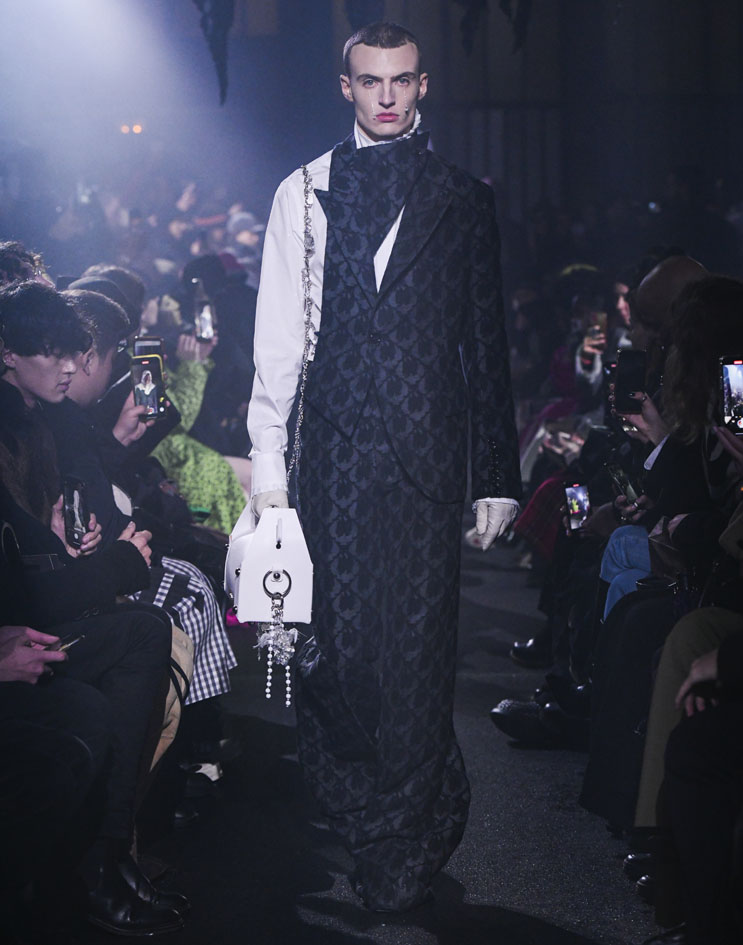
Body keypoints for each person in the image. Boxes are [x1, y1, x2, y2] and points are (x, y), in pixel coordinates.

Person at [245, 20, 521, 912]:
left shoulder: (462, 198)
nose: (388, 95)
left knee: (417, 657)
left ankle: (399, 844)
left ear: (423, 84)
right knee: (334, 656)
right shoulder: (303, 192)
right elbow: (277, 342)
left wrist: (498, 472)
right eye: (372, 81)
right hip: (330, 450)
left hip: (428, 453)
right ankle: (377, 806)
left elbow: (486, 344)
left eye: (402, 80)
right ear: (347, 87)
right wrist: (268, 466)